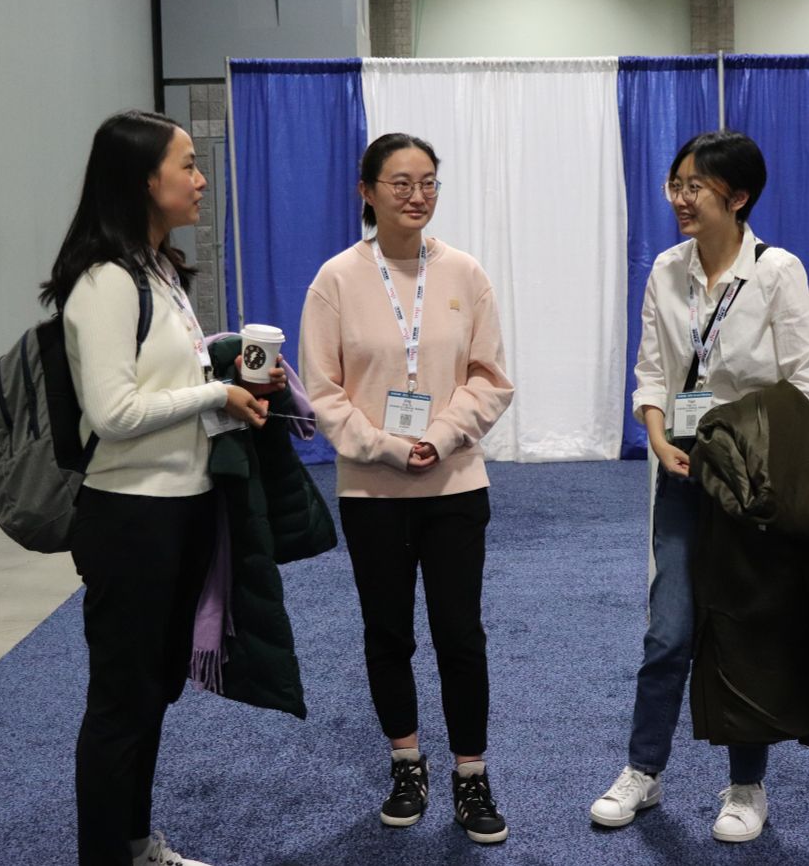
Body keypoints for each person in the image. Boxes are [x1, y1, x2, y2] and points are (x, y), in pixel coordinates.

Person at [41, 110, 281, 866]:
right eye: (186, 164)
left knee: (151, 695)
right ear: (144, 180)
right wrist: (213, 397)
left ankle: (136, 843)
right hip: (129, 520)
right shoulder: (106, 280)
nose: (201, 177)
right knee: (122, 704)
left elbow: (159, 383)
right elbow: (114, 414)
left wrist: (222, 374)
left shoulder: (160, 270)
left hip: (180, 511)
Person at [589, 130, 809, 843]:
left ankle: (746, 786)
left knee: (745, 629)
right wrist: (658, 438)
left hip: (750, 481)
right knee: (668, 630)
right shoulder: (665, 269)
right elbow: (653, 369)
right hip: (683, 472)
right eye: (676, 184)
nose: (681, 199)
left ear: (738, 197)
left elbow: (806, 382)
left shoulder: (777, 271)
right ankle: (644, 770)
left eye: (695, 187)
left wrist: (760, 458)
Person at [299, 133, 515, 844]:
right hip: (373, 490)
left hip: (454, 484)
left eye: (428, 182)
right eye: (399, 183)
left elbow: (490, 378)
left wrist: (441, 435)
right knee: (388, 634)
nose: (416, 195)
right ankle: (406, 764)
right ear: (367, 192)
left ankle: (471, 773)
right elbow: (322, 394)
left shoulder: (465, 273)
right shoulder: (335, 280)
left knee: (462, 635)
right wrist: (387, 446)